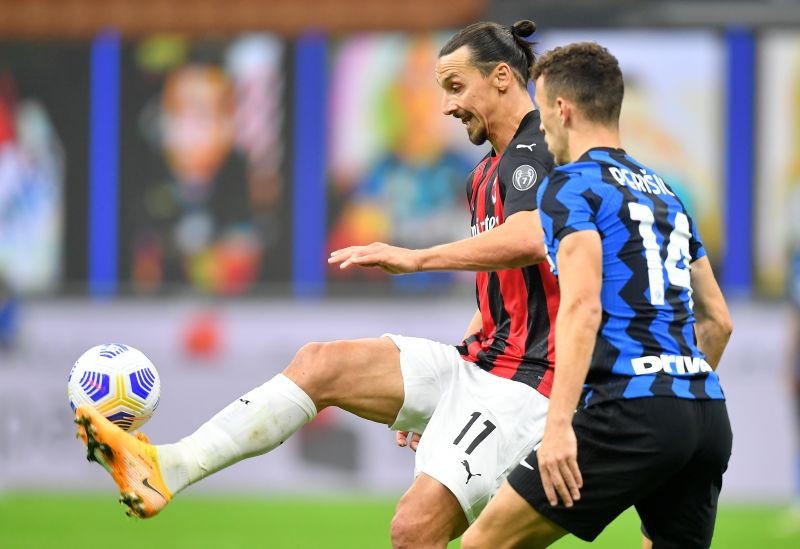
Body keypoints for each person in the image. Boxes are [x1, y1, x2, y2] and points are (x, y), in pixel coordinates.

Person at [74, 20, 558, 548]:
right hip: (486, 364)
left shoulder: (547, 152)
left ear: (504, 78)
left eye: (456, 87)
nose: (446, 106)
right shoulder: (485, 172)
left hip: (532, 386)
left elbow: (531, 238)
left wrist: (415, 258)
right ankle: (169, 467)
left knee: (414, 529)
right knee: (319, 363)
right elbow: (502, 292)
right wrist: (458, 372)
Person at [461, 42, 733, 549]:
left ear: (561, 110)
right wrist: (673, 403)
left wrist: (561, 426)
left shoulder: (569, 186)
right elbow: (719, 321)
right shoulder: (665, 193)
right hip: (705, 413)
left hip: (628, 409)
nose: (540, 129)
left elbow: (582, 306)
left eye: (541, 116)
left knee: (485, 543)